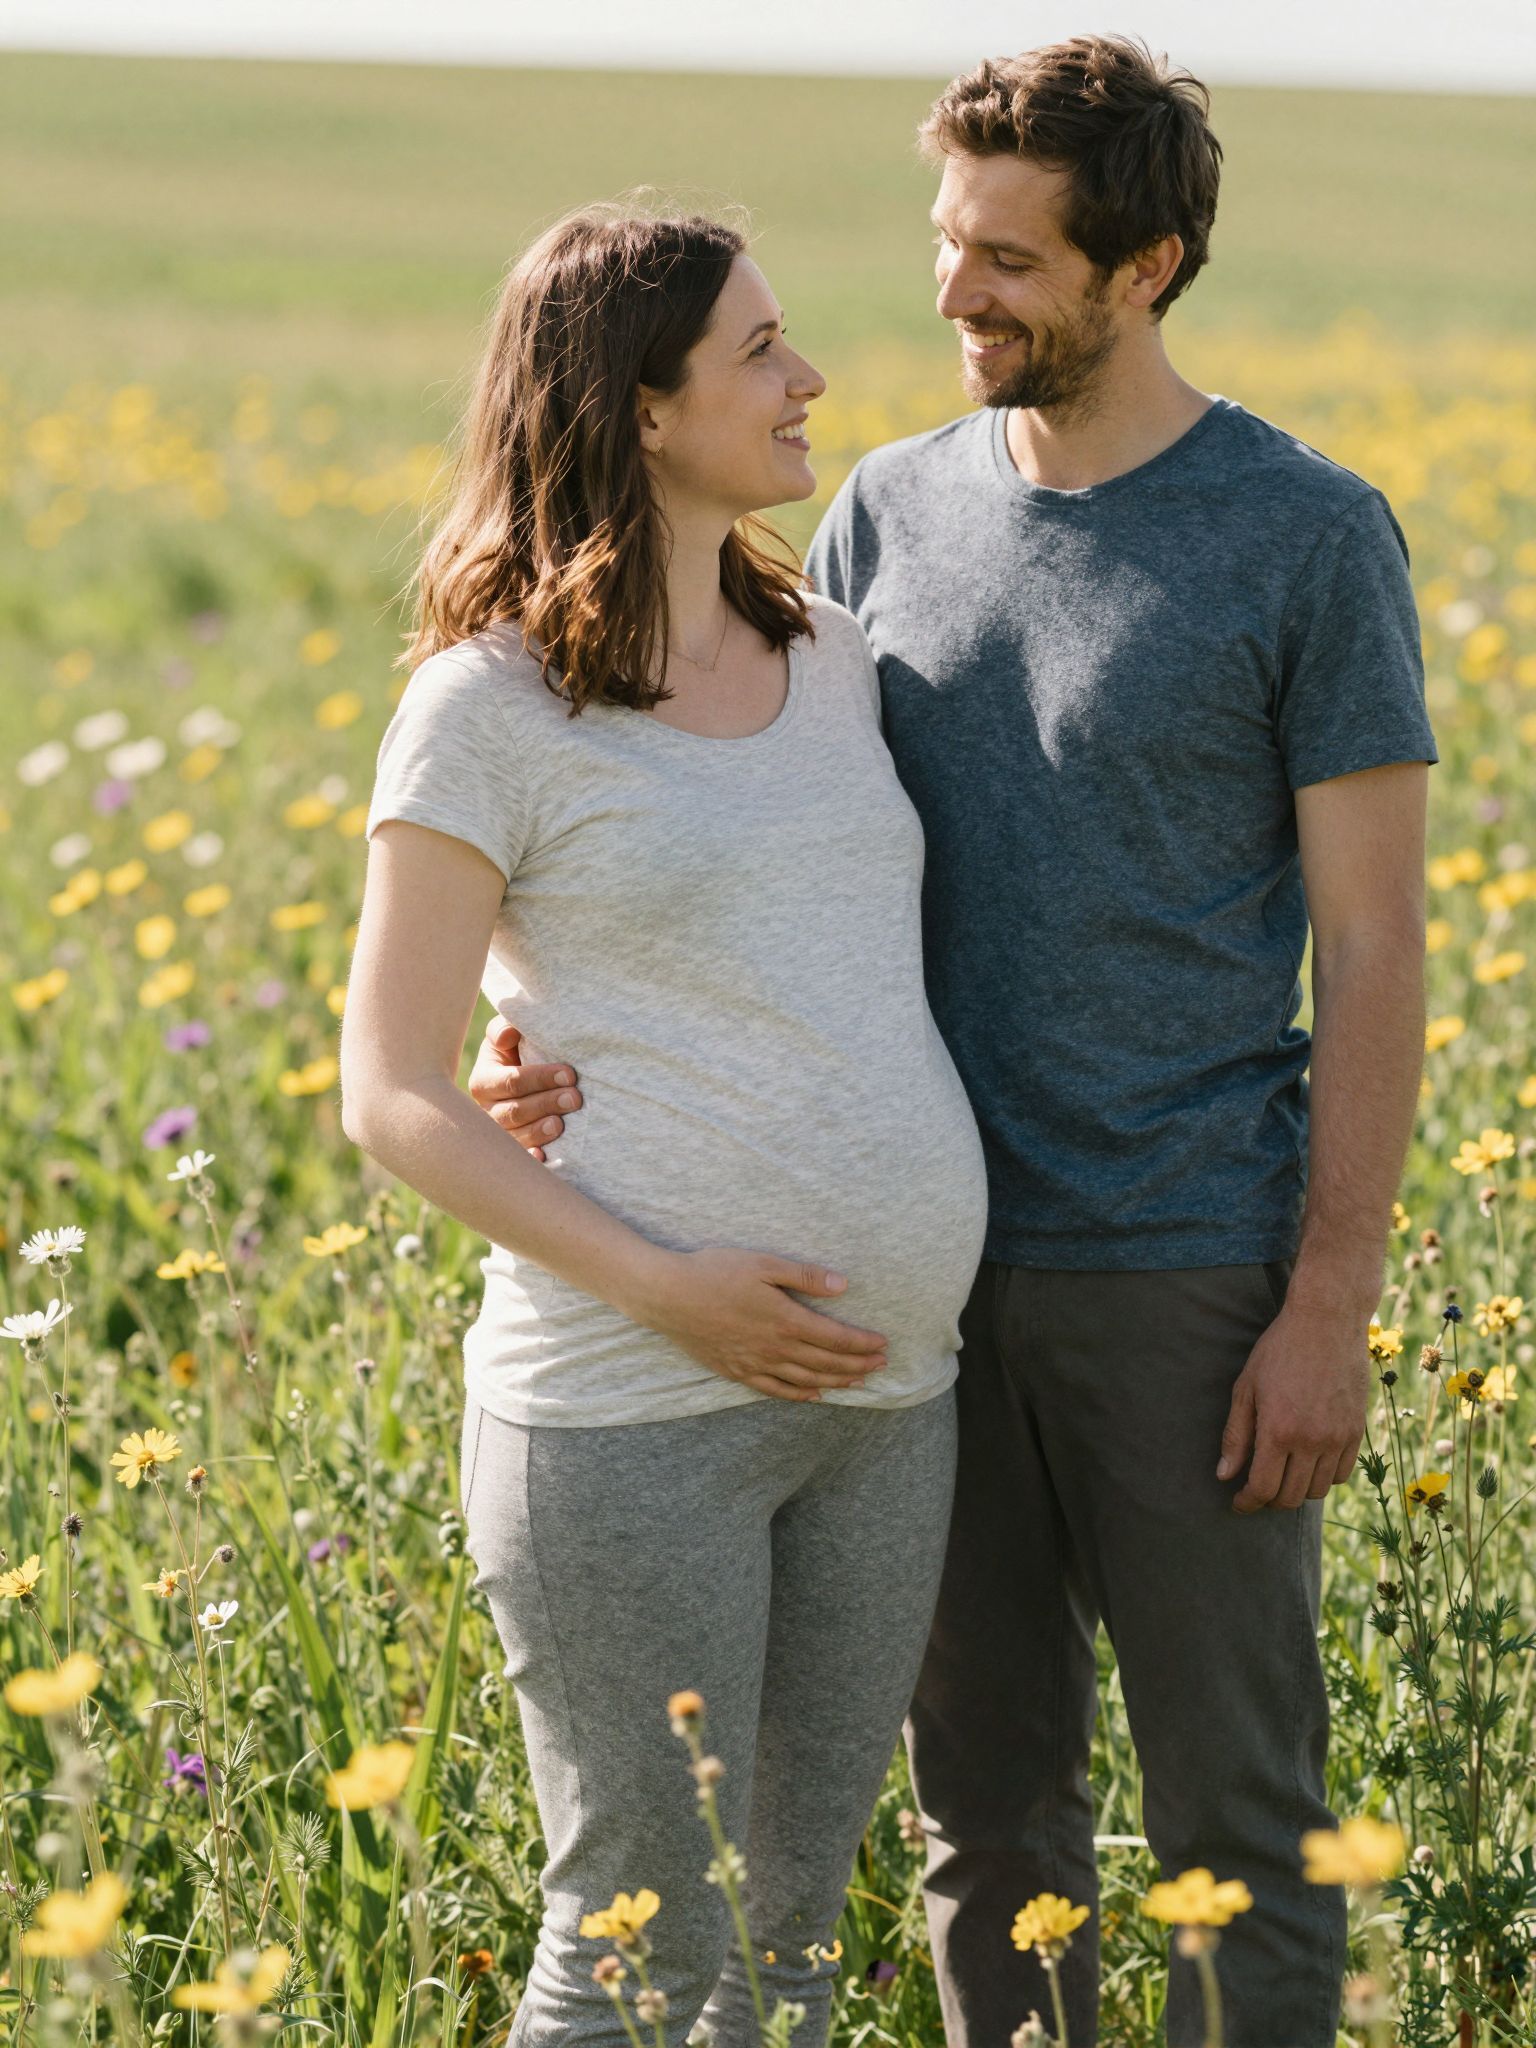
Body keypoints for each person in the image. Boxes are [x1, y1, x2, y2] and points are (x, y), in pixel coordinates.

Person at [469, 38, 1437, 2048]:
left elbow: (1372, 940)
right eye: (945, 241)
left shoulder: (1307, 538)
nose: (952, 295)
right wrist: (534, 1023)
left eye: (1009, 258)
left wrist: (1330, 1294)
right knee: (984, 1828)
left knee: (1236, 1819)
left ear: (1145, 264)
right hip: (912, 1315)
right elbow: (705, 822)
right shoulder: (879, 521)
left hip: (1187, 1278)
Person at [340, 206, 989, 2047]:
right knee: (634, 1953)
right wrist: (671, 1288)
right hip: (634, 1410)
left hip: (887, 1393)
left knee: (787, 1951)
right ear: (637, 409)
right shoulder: (490, 709)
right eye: (761, 353)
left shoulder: (839, 653)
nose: (811, 382)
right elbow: (385, 1088)